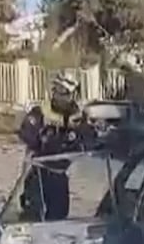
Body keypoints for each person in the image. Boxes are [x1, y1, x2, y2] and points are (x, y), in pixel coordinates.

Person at [17, 72, 94, 221]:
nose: (59, 96)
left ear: (73, 94)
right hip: (39, 172)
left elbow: (89, 140)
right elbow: (27, 133)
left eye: (64, 92)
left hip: (60, 174)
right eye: (56, 90)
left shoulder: (79, 117)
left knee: (58, 216)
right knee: (32, 214)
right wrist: (46, 138)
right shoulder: (40, 112)